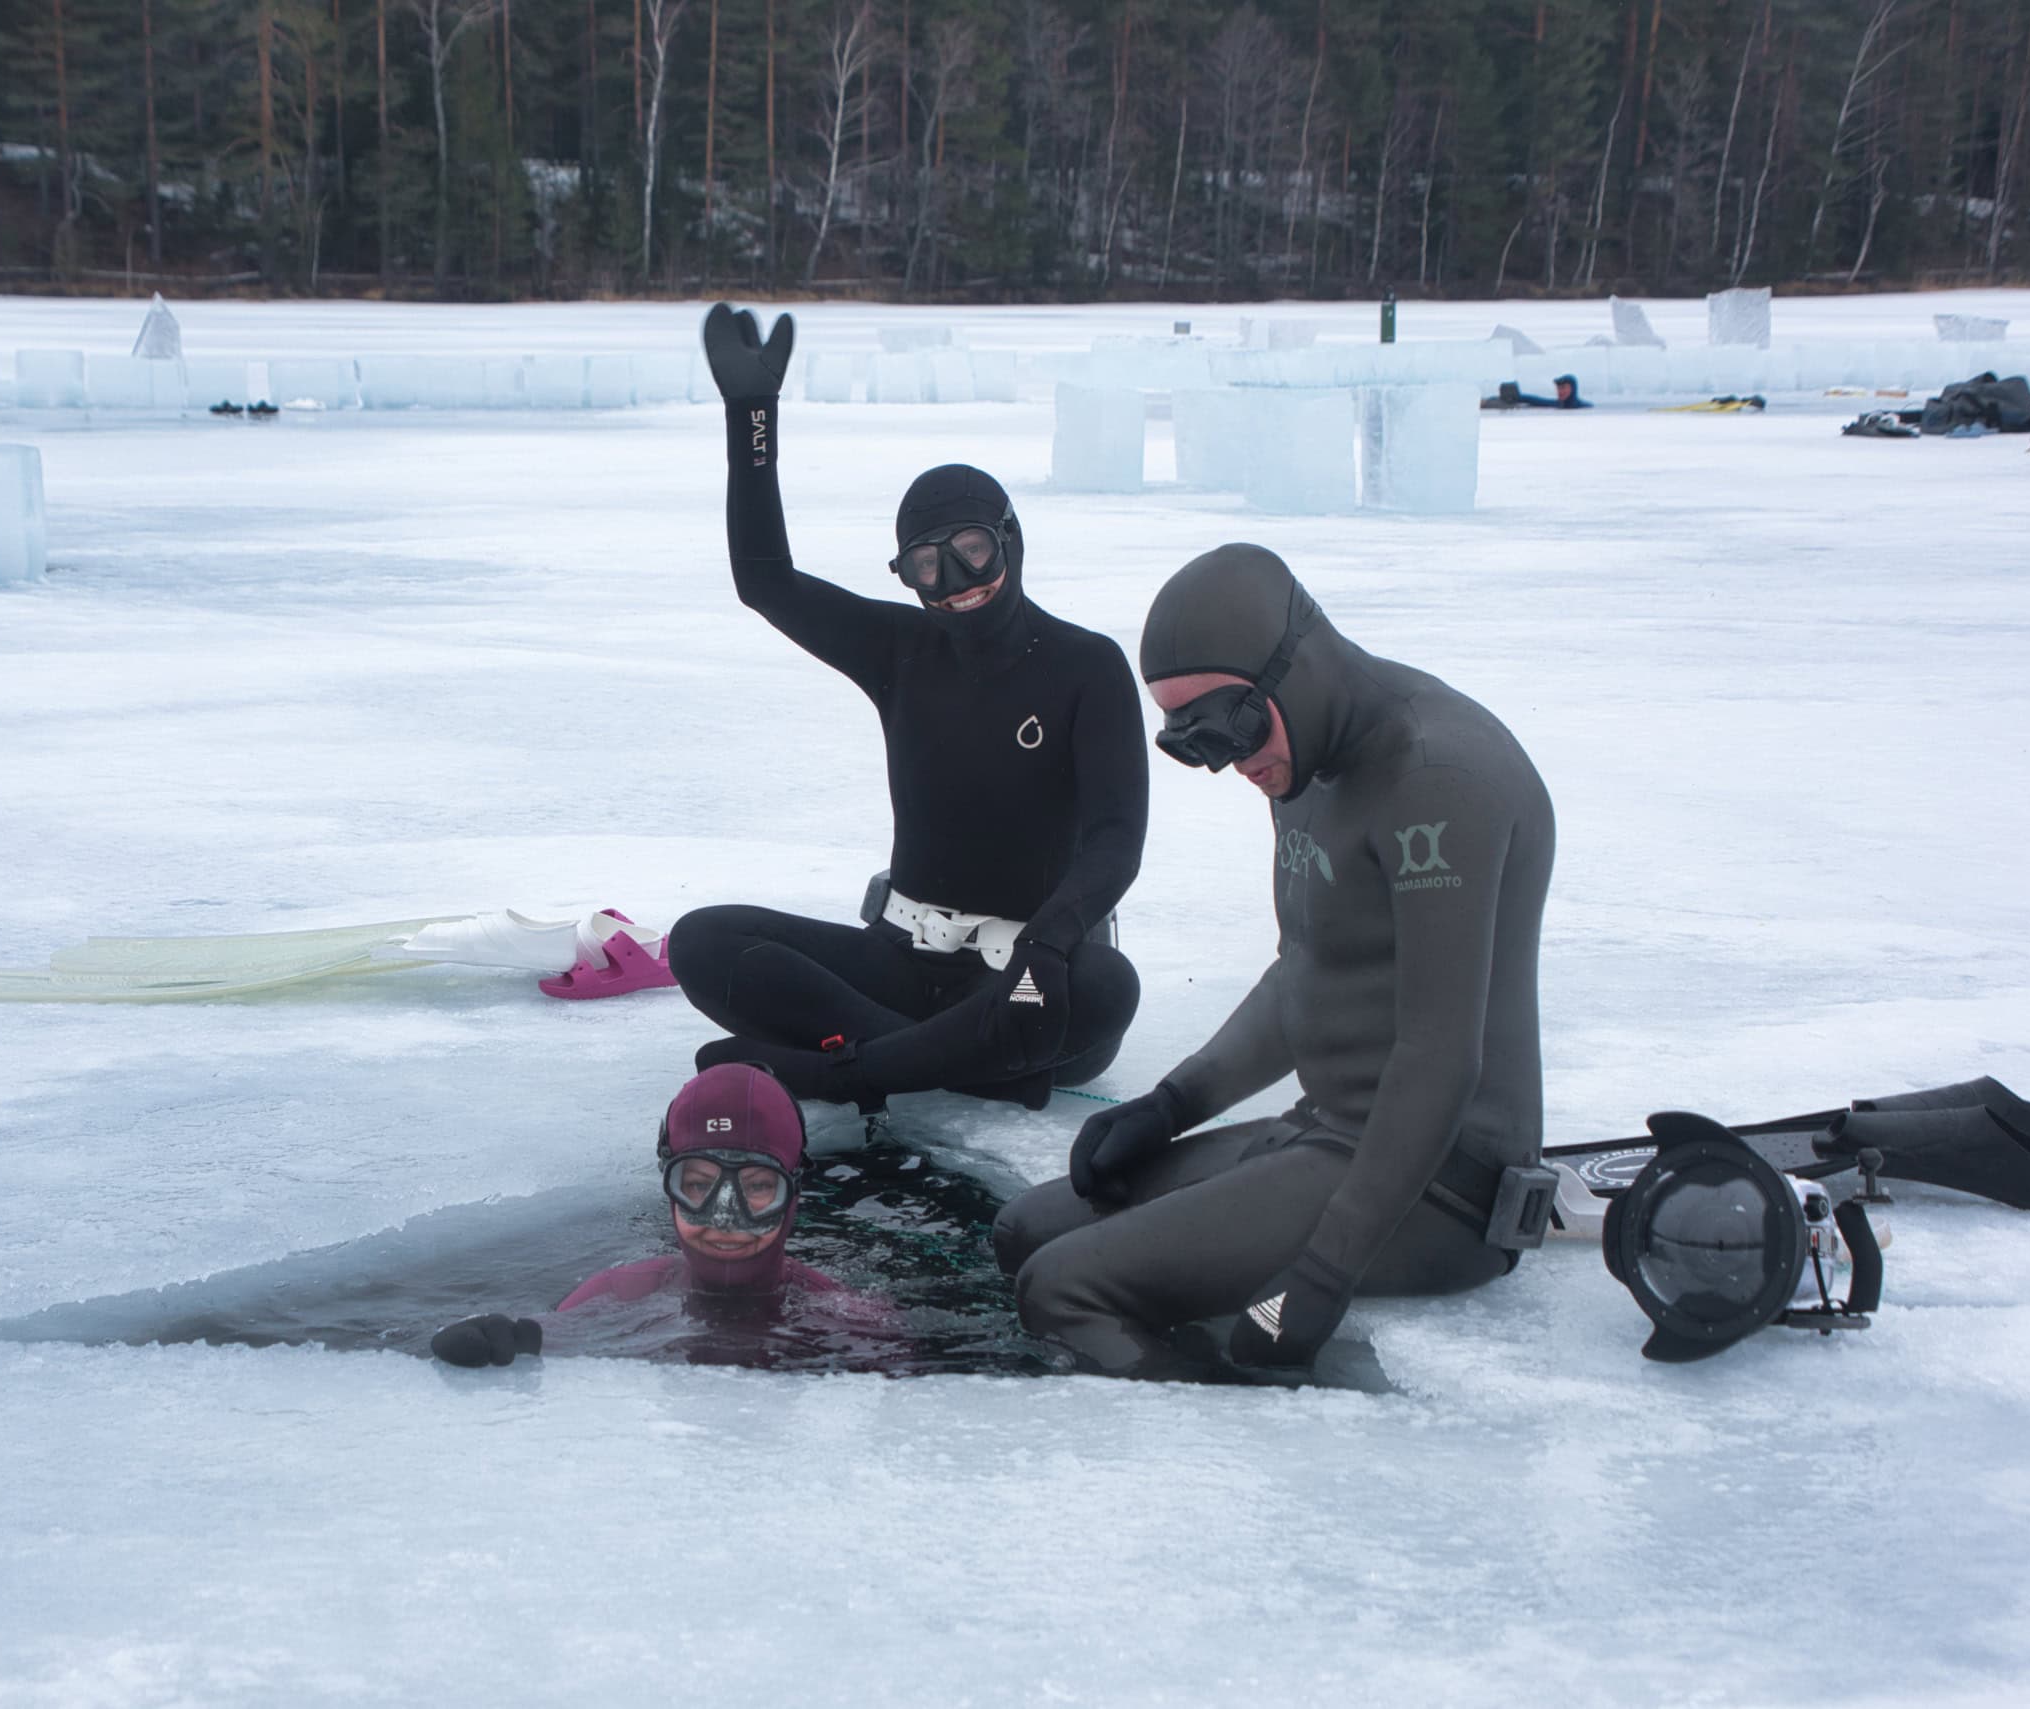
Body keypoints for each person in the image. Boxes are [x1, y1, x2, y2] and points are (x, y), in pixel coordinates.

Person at [991, 543, 1556, 1381]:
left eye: (1233, 724)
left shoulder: (1439, 779)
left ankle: (1224, 1472)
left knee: (1062, 1291)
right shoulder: (1307, 764)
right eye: (1195, 742)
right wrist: (1168, 1104)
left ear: (1294, 667)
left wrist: (1322, 1275)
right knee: (1029, 1228)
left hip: (1441, 1192)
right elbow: (1306, 972)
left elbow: (1441, 1056)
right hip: (1328, 1136)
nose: (1231, 760)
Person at [665, 304, 1147, 1113]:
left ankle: (841, 1065)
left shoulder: (1086, 667)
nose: (957, 582)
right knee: (702, 940)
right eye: (928, 565)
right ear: (907, 576)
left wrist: (1054, 935)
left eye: (971, 550)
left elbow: (1113, 841)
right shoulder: (900, 650)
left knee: (1110, 987)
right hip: (905, 963)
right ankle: (943, 1059)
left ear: (1010, 538)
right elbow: (765, 580)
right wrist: (752, 419)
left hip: (1027, 974)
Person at [431, 1062, 887, 1367]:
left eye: (758, 1187)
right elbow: (546, 1337)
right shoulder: (613, 1295)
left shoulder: (854, 1321)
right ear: (669, 1190)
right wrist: (495, 1340)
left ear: (794, 1194)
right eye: (698, 1185)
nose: (725, 1218)